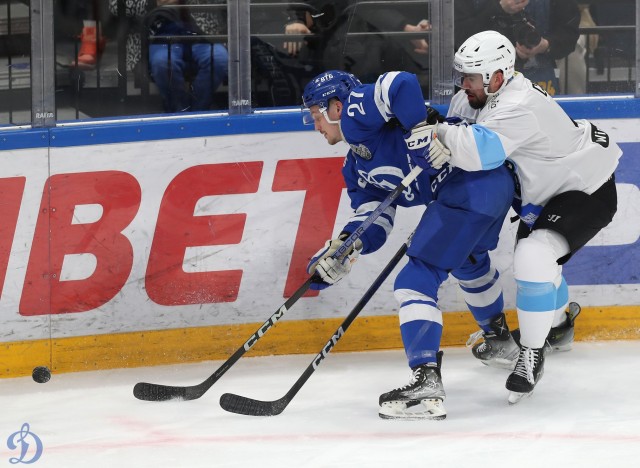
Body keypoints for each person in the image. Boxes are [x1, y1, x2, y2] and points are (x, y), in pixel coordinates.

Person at [416, 30, 621, 403]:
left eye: (472, 77)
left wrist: (437, 132)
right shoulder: (471, 97)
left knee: (532, 260)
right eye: (462, 75)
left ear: (498, 76)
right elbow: (457, 134)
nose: (464, 85)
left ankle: (531, 354)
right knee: (540, 264)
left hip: (585, 189)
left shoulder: (519, 103)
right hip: (542, 190)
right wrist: (441, 134)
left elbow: (479, 154)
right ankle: (558, 327)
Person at [301, 69, 515, 419]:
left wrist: (418, 131)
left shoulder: (358, 115)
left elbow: (402, 83)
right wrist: (345, 246)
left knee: (414, 280)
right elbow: (375, 218)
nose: (314, 125)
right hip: (487, 188)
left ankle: (426, 380)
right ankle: (500, 339)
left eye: (314, 115)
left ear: (335, 107)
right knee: (467, 260)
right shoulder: (355, 166)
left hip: (470, 185)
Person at [454, 0, 580, 96]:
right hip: (483, 82)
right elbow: (457, 35)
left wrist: (545, 45)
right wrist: (498, 8)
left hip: (540, 80)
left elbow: (569, 33)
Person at [146, 0, 228, 112]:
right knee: (162, 63)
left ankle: (198, 111)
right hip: (162, 36)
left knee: (219, 58)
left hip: (202, 33)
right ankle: (179, 112)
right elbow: (116, 6)